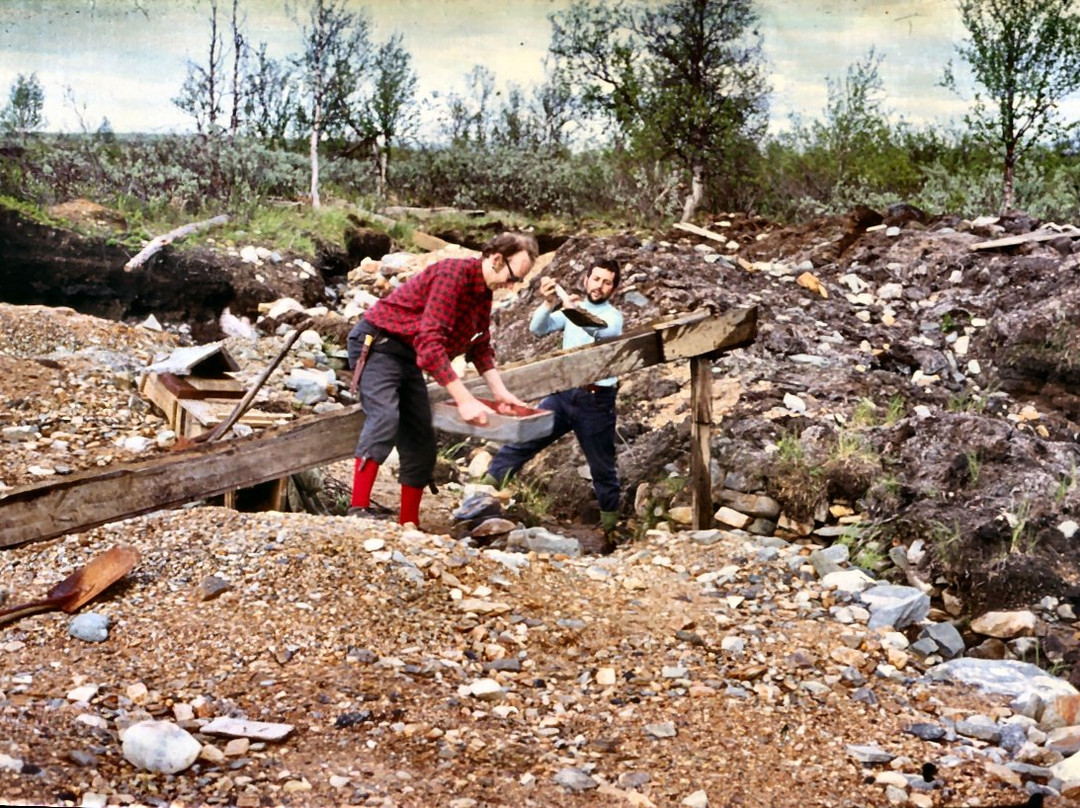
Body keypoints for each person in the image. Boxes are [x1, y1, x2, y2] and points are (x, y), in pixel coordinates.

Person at [346, 232, 539, 527]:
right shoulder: (453, 276)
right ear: (497, 260)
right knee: (385, 417)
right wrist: (465, 400)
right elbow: (431, 345)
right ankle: (357, 510)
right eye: (513, 277)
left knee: (422, 438)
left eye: (519, 282)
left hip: (409, 354)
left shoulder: (482, 292)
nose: (511, 286)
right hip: (379, 345)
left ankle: (408, 523)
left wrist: (501, 394)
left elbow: (480, 345)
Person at [483, 258, 625, 542]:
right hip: (562, 395)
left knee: (602, 466)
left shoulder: (613, 316)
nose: (599, 286)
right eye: (596, 279)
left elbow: (600, 331)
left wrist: (573, 310)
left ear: (614, 289)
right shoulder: (572, 309)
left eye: (606, 282)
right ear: (586, 280)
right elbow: (538, 328)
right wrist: (549, 303)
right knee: (524, 438)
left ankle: (610, 530)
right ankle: (483, 495)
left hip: (596, 400)